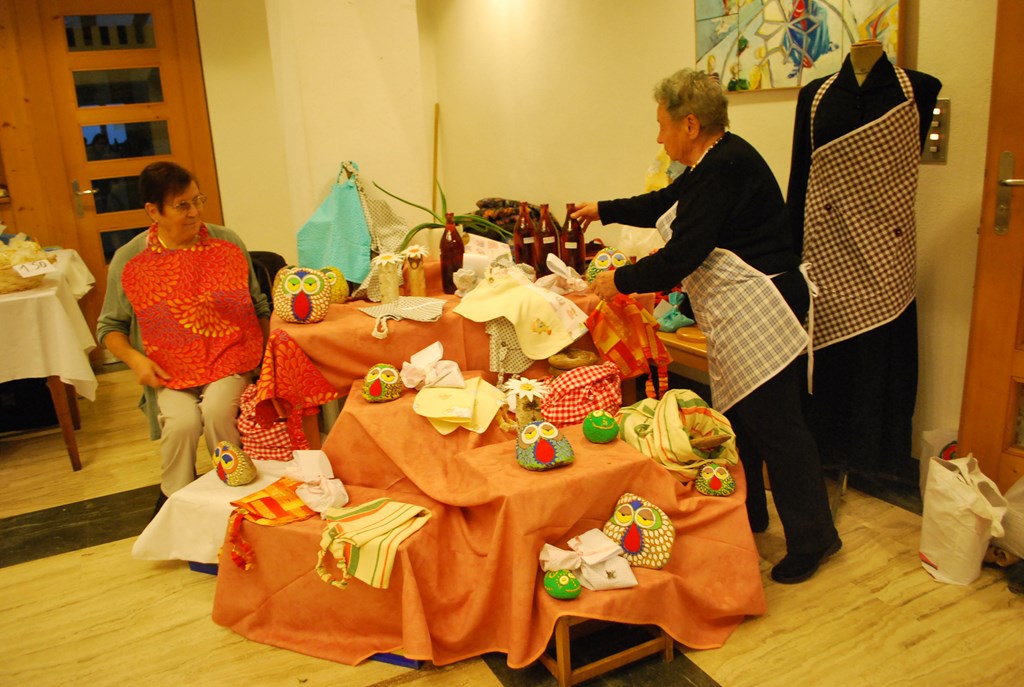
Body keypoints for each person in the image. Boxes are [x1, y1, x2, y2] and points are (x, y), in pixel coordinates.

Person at [573, 68, 839, 584]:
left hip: (763, 305)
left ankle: (815, 538)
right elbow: (662, 203)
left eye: (662, 125)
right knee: (742, 418)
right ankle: (750, 514)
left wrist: (619, 281)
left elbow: (682, 254)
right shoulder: (711, 162)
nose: (659, 137)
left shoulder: (726, 167)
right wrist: (602, 209)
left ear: (690, 124)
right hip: (742, 306)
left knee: (778, 427)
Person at [787, 43, 941, 484]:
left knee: (879, 357)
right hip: (825, 249)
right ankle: (826, 451)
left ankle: (874, 459)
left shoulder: (919, 90)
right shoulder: (815, 95)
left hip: (887, 253)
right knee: (829, 357)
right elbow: (801, 178)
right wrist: (788, 257)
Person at [97, 161, 271, 514]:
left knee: (218, 411)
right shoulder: (130, 259)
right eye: (182, 205)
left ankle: (235, 498)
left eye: (197, 200)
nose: (195, 213)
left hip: (229, 358)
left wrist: (266, 361)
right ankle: (176, 506)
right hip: (168, 369)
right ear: (153, 211)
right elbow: (109, 327)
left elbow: (258, 306)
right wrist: (136, 360)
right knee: (181, 424)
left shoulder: (226, 242)